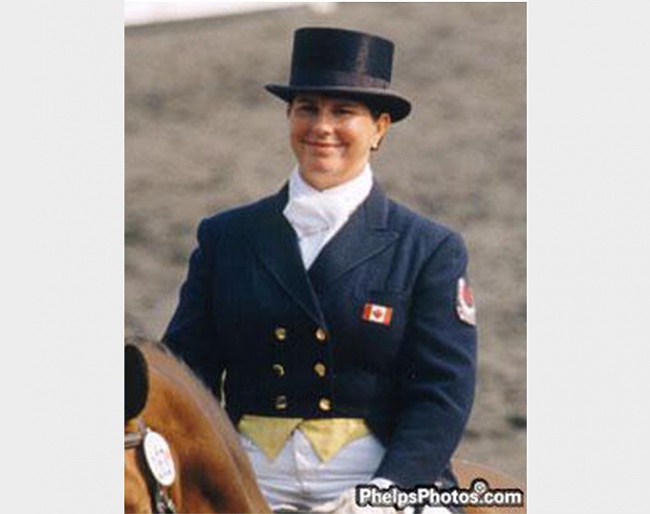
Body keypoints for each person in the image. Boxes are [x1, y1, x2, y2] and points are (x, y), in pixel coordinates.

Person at [164, 27, 477, 514]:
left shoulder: (429, 248)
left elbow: (441, 395)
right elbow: (187, 371)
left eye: (343, 111)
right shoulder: (226, 237)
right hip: (249, 472)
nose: (321, 126)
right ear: (289, 115)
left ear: (380, 128)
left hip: (376, 474)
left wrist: (385, 493)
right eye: (308, 107)